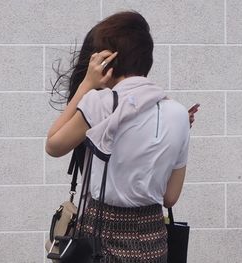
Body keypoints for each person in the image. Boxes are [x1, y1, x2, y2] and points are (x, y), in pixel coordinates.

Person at [46, 11, 193, 263]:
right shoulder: (179, 114)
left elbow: (54, 144)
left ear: (108, 60)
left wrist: (86, 85)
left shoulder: (100, 103)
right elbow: (170, 197)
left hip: (99, 241)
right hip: (153, 245)